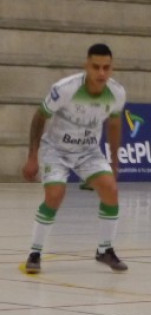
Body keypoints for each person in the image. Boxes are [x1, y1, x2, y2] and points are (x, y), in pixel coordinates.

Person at [22, 43, 128, 274]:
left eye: (106, 68)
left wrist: (114, 162)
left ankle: (104, 250)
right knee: (55, 194)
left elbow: (115, 123)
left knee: (111, 189)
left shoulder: (117, 92)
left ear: (112, 68)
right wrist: (32, 156)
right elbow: (40, 116)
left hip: (88, 151)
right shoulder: (65, 88)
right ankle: (35, 252)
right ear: (86, 66)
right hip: (56, 150)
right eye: (96, 67)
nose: (101, 73)